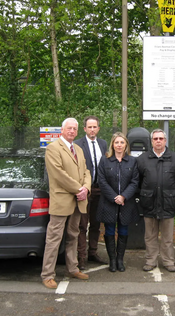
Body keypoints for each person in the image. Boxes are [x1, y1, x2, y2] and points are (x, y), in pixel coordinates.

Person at [41, 118, 91, 289]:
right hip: (62, 200)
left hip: (78, 201)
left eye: (75, 129)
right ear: (62, 129)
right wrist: (79, 189)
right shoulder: (53, 148)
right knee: (54, 238)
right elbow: (58, 174)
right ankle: (48, 275)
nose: (72, 131)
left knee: (73, 236)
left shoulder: (78, 149)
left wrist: (86, 188)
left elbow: (86, 171)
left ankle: (72, 268)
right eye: (69, 128)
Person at [137, 129, 175, 273]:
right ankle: (150, 261)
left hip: (167, 203)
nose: (158, 141)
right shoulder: (142, 159)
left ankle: (168, 261)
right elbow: (138, 181)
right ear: (151, 141)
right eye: (155, 138)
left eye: (161, 138)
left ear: (165, 140)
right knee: (150, 236)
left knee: (167, 237)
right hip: (148, 202)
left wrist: (166, 191)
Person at [97, 132, 139, 272]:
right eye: (116, 142)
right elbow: (101, 181)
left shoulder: (132, 161)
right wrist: (114, 196)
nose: (119, 145)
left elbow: (135, 182)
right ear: (112, 145)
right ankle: (112, 260)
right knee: (109, 230)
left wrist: (123, 196)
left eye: (122, 142)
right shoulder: (105, 160)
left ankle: (120, 259)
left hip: (126, 202)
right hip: (109, 201)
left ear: (126, 144)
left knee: (123, 229)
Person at [74, 116, 108, 270]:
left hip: (100, 190)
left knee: (96, 223)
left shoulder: (103, 144)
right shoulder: (77, 145)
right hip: (84, 190)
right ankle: (81, 257)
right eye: (90, 127)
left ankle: (92, 252)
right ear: (85, 129)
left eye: (95, 127)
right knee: (82, 224)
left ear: (98, 128)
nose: (92, 129)